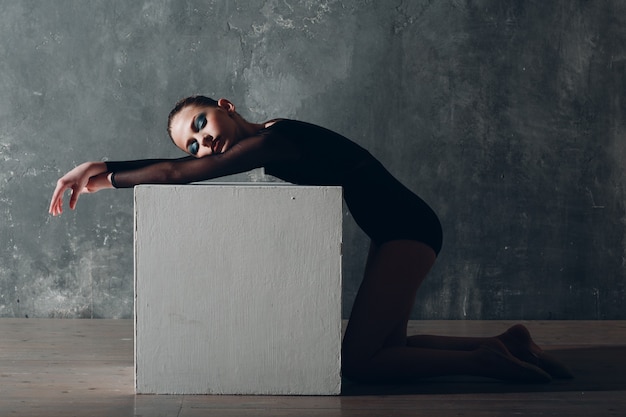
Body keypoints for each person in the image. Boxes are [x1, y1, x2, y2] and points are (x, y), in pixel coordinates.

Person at [49, 95, 572, 383]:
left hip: (406, 230)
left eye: (202, 123)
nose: (204, 141)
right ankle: (507, 343)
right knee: (389, 349)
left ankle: (488, 363)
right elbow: (182, 167)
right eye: (196, 142)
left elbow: (181, 173)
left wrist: (105, 172)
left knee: (359, 365)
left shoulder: (274, 140)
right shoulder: (267, 138)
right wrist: (107, 171)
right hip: (396, 229)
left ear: (226, 105)